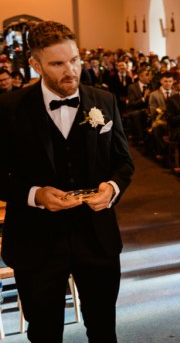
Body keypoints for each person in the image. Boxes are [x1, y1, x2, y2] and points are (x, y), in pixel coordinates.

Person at [0, 21, 134, 342]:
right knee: (45, 333)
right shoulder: (8, 109)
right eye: (57, 64)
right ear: (35, 65)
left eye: (74, 59)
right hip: (36, 242)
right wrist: (35, 194)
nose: (70, 70)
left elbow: (123, 163)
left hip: (97, 239)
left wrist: (112, 189)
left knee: (103, 329)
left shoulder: (104, 101)